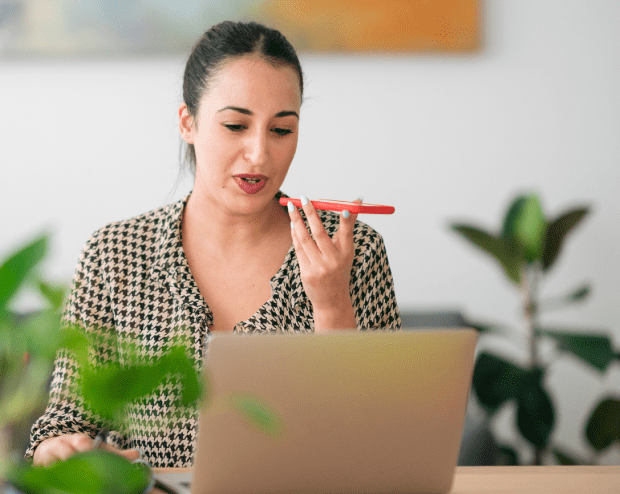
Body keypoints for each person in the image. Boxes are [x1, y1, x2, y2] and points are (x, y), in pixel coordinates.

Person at [26, 20, 401, 468]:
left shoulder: (353, 250)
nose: (259, 154)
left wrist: (332, 306)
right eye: (235, 125)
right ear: (188, 123)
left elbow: (378, 444)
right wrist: (59, 450)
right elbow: (66, 421)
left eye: (282, 130)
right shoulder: (113, 255)